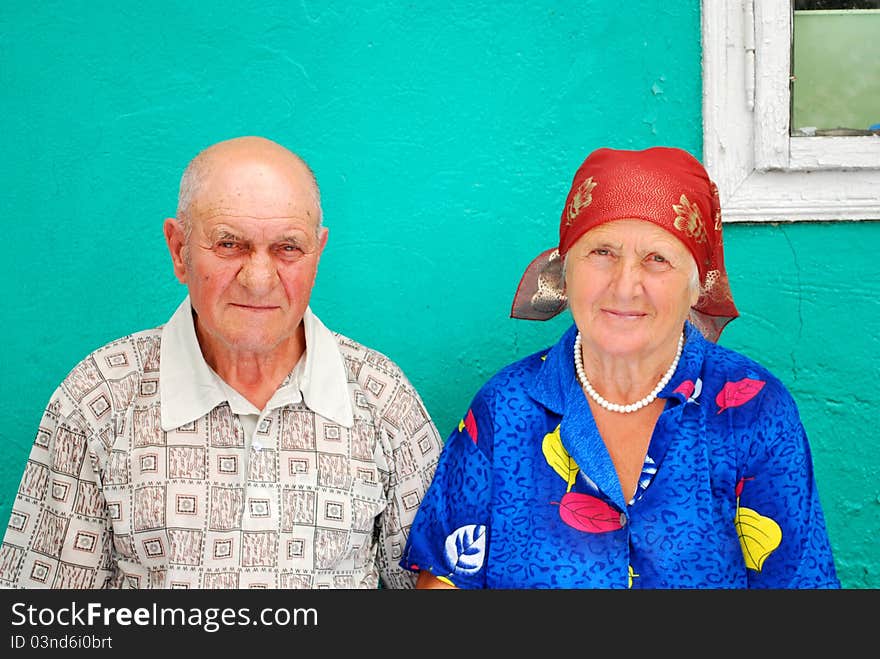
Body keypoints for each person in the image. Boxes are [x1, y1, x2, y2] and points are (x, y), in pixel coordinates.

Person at [0, 136, 442, 589]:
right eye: (230, 244)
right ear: (179, 250)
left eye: (288, 248)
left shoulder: (381, 397)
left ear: (318, 252)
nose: (258, 279)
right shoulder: (99, 397)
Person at [401, 146, 840, 589]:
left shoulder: (751, 410)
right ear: (565, 273)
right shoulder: (506, 409)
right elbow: (444, 581)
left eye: (657, 259)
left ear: (695, 288)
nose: (625, 285)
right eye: (603, 252)